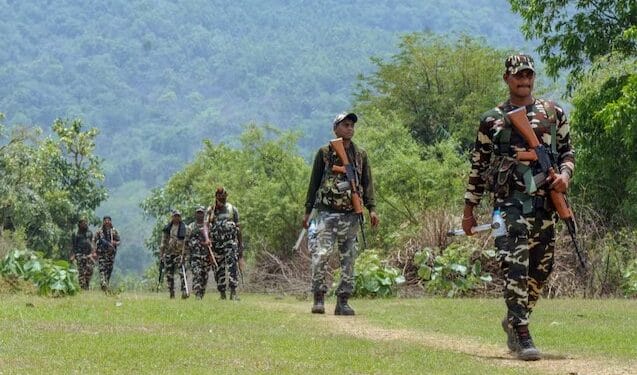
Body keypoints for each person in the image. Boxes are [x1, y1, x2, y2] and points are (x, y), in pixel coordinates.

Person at [462, 54, 574, 361]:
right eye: (518, 75)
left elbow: (567, 152)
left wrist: (564, 176)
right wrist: (469, 210)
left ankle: (514, 318)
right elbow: (478, 166)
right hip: (509, 205)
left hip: (544, 205)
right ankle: (522, 332)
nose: (524, 80)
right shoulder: (491, 120)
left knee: (541, 268)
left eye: (528, 75)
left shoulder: (554, 112)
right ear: (507, 79)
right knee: (515, 266)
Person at [303, 112, 380, 316]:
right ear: (335, 128)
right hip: (326, 215)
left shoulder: (360, 155)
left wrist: (372, 209)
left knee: (349, 259)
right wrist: (307, 211)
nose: (350, 128)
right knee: (321, 256)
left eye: (352, 125)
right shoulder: (325, 153)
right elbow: (314, 182)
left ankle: (343, 301)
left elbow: (367, 183)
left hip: (350, 216)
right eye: (345, 125)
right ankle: (319, 298)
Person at [207, 187, 243, 300]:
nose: (221, 199)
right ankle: (222, 293)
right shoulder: (211, 210)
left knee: (232, 266)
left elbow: (238, 228)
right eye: (219, 197)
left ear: (226, 197)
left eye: (223, 197)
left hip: (230, 243)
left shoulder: (232, 209)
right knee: (218, 268)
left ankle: (233, 292)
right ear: (216, 197)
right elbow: (205, 227)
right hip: (217, 245)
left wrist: (241, 246)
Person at [160, 210, 189, 299]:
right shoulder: (168, 228)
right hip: (169, 253)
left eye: (178, 216)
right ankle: (171, 292)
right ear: (172, 217)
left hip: (180, 254)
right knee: (169, 274)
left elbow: (186, 242)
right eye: (175, 216)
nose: (176, 218)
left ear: (180, 217)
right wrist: (161, 254)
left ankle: (184, 291)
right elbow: (163, 242)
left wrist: (184, 255)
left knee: (182, 273)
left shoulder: (185, 228)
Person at [187, 206, 215, 299]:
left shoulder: (208, 226)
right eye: (198, 213)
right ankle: (197, 294)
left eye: (201, 213)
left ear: (204, 214)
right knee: (197, 274)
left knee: (204, 276)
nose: (199, 215)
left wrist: (209, 242)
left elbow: (213, 239)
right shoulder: (191, 227)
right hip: (195, 256)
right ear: (195, 214)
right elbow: (186, 241)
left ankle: (201, 294)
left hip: (205, 256)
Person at [93, 216, 120, 291]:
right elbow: (94, 240)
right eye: (105, 221)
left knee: (109, 270)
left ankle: (106, 285)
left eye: (109, 221)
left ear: (111, 222)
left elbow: (119, 241)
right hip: (102, 253)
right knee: (102, 269)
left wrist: (114, 243)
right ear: (103, 222)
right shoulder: (99, 231)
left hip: (111, 254)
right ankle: (103, 282)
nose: (107, 222)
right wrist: (94, 252)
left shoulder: (114, 231)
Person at [70, 218, 95, 290]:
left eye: (86, 223)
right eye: (83, 223)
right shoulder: (75, 234)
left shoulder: (89, 233)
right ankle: (83, 288)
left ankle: (87, 283)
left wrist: (93, 253)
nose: (85, 224)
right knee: (81, 271)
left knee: (90, 270)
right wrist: (72, 255)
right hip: (79, 255)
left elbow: (92, 243)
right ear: (79, 224)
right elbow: (73, 245)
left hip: (88, 255)